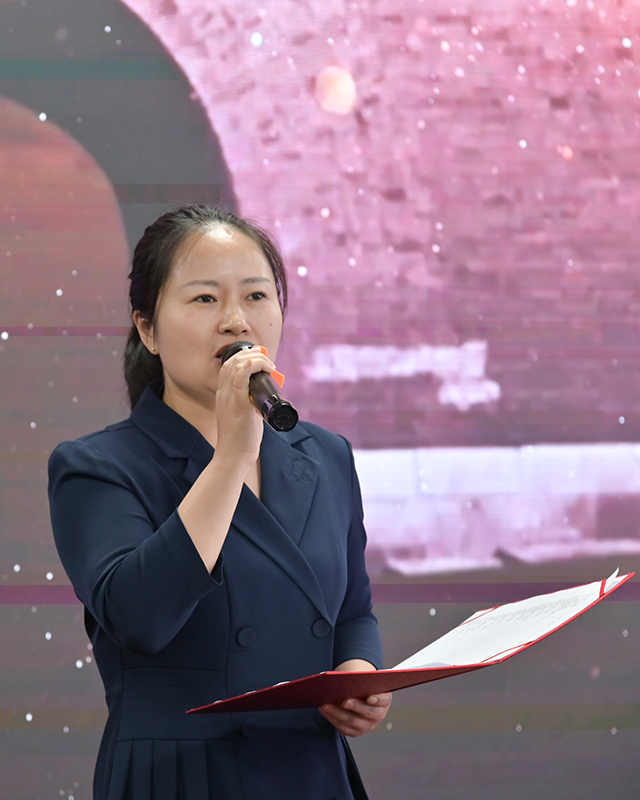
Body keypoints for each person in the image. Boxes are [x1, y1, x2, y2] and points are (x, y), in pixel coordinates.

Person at [48, 205, 391, 800]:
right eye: (205, 299)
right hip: (182, 778)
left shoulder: (326, 455)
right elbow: (140, 616)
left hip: (309, 772)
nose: (237, 321)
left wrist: (359, 672)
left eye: (256, 296)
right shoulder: (97, 467)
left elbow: (352, 612)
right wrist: (231, 457)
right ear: (148, 330)